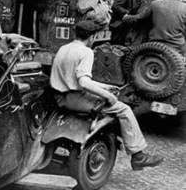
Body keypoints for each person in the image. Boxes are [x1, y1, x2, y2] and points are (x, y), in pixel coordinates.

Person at [50, 20, 163, 171]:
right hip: (75, 99)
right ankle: (138, 156)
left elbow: (74, 79)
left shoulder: (64, 48)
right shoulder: (87, 52)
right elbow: (83, 82)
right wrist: (108, 96)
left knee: (110, 96)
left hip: (60, 97)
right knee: (124, 109)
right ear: (92, 37)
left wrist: (106, 87)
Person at [122, 0, 186, 57]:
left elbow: (138, 18)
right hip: (177, 49)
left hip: (154, 45)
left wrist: (125, 17)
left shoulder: (155, 4)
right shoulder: (184, 8)